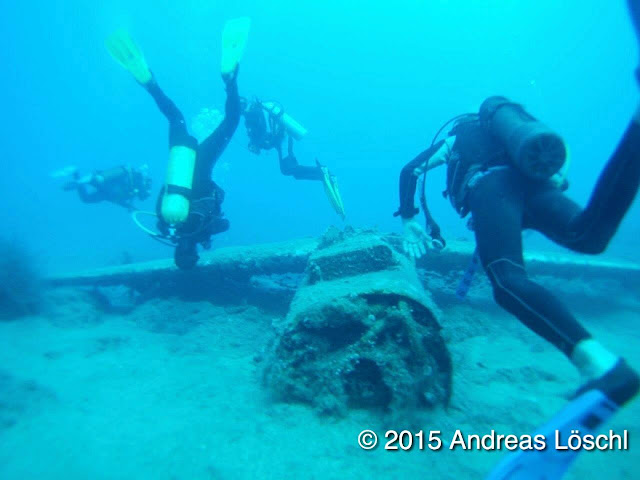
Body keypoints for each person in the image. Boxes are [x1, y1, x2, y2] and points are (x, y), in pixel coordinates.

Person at [396, 3, 640, 475]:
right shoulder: (511, 140)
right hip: (530, 185)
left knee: (506, 280)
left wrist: (409, 220)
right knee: (588, 236)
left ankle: (600, 367)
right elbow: (548, 180)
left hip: (493, 187)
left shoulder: (459, 135)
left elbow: (409, 170)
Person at [105, 19, 250, 269]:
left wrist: (210, 229)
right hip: (180, 158)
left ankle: (230, 79)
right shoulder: (164, 225)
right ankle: (149, 83)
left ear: (193, 254)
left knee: (231, 120)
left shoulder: (202, 231)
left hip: (201, 167)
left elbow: (223, 221)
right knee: (175, 117)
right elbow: (164, 191)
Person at [242, 98, 346, 218]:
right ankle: (321, 175)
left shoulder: (254, 114)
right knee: (293, 172)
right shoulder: (253, 116)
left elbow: (267, 136)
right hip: (280, 139)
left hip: (283, 138)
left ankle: (321, 171)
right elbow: (264, 136)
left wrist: (259, 144)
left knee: (288, 169)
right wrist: (258, 144)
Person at [60, 165, 151, 210]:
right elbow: (120, 194)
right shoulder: (137, 185)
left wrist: (128, 206)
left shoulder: (133, 193)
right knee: (96, 180)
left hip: (107, 194)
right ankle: (78, 181)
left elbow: (119, 200)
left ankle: (75, 173)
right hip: (109, 186)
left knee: (86, 199)